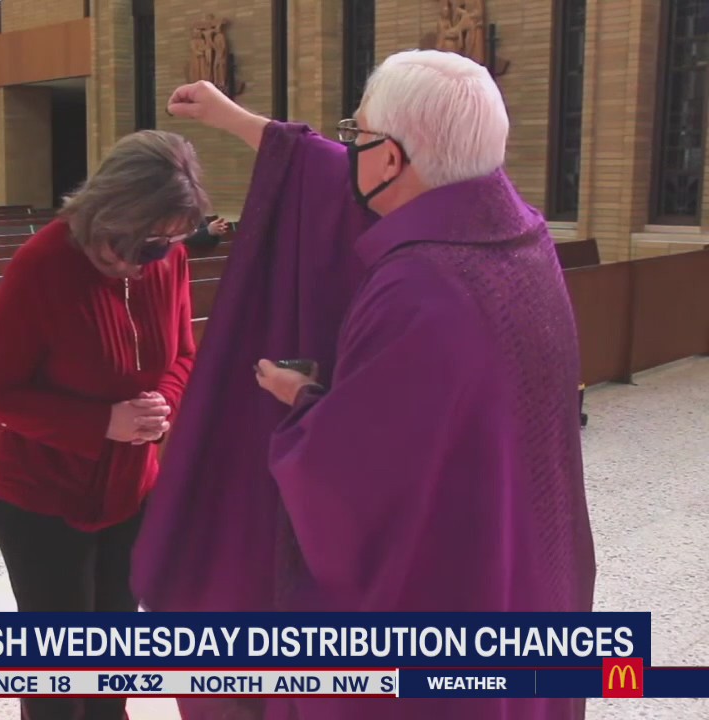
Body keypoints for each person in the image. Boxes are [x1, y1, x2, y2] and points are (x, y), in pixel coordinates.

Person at [133, 51, 596, 720]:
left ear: (391, 158)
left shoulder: (420, 286)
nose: (350, 152)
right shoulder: (519, 235)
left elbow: (351, 483)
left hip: (443, 605)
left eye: (359, 135)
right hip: (523, 564)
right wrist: (242, 122)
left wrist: (302, 412)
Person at [0, 129, 208, 720]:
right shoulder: (45, 264)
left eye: (170, 241)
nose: (160, 253)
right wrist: (101, 423)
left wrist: (163, 407)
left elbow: (182, 352)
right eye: (150, 239)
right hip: (40, 494)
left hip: (130, 488)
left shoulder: (167, 259)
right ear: (112, 211)